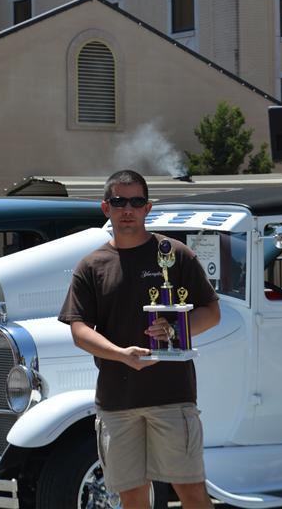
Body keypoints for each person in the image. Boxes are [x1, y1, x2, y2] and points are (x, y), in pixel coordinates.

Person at [59, 169, 220, 509]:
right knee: (132, 498)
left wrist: (175, 329)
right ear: (106, 207)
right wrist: (120, 354)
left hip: (173, 396)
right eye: (119, 202)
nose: (127, 209)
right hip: (117, 403)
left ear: (148, 208)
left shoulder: (175, 254)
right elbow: (79, 330)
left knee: (191, 492)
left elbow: (212, 312)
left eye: (136, 202)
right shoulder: (91, 266)